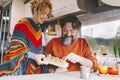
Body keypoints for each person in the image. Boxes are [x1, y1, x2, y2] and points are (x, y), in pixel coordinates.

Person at [0, 0, 52, 76]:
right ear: (35, 11)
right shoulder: (22, 24)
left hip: (30, 68)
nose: (45, 17)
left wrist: (45, 56)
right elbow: (15, 48)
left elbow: (37, 51)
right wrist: (35, 56)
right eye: (43, 13)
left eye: (47, 15)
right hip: (18, 69)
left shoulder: (38, 29)